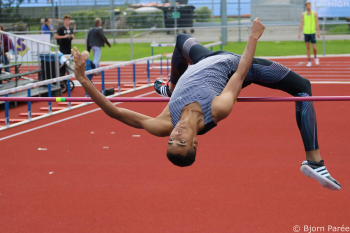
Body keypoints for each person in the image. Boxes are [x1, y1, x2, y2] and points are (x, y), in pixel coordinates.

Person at [72, 18, 340, 191]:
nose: (175, 136)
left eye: (171, 142)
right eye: (182, 142)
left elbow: (115, 112)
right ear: (195, 143)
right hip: (235, 64)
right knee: (303, 87)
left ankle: (171, 88)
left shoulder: (164, 123)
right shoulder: (217, 110)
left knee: (180, 40)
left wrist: (83, 79)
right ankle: (314, 161)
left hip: (202, 60)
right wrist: (253, 38)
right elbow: (239, 74)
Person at [298, 1, 320, 67]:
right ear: (306, 7)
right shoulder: (303, 14)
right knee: (307, 47)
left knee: (314, 48)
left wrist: (318, 32)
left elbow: (317, 23)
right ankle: (309, 61)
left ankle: (315, 57)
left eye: (309, 6)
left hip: (312, 32)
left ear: (310, 6)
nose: (308, 7)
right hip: (306, 32)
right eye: (307, 6)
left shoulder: (314, 13)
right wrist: (299, 32)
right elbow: (301, 23)